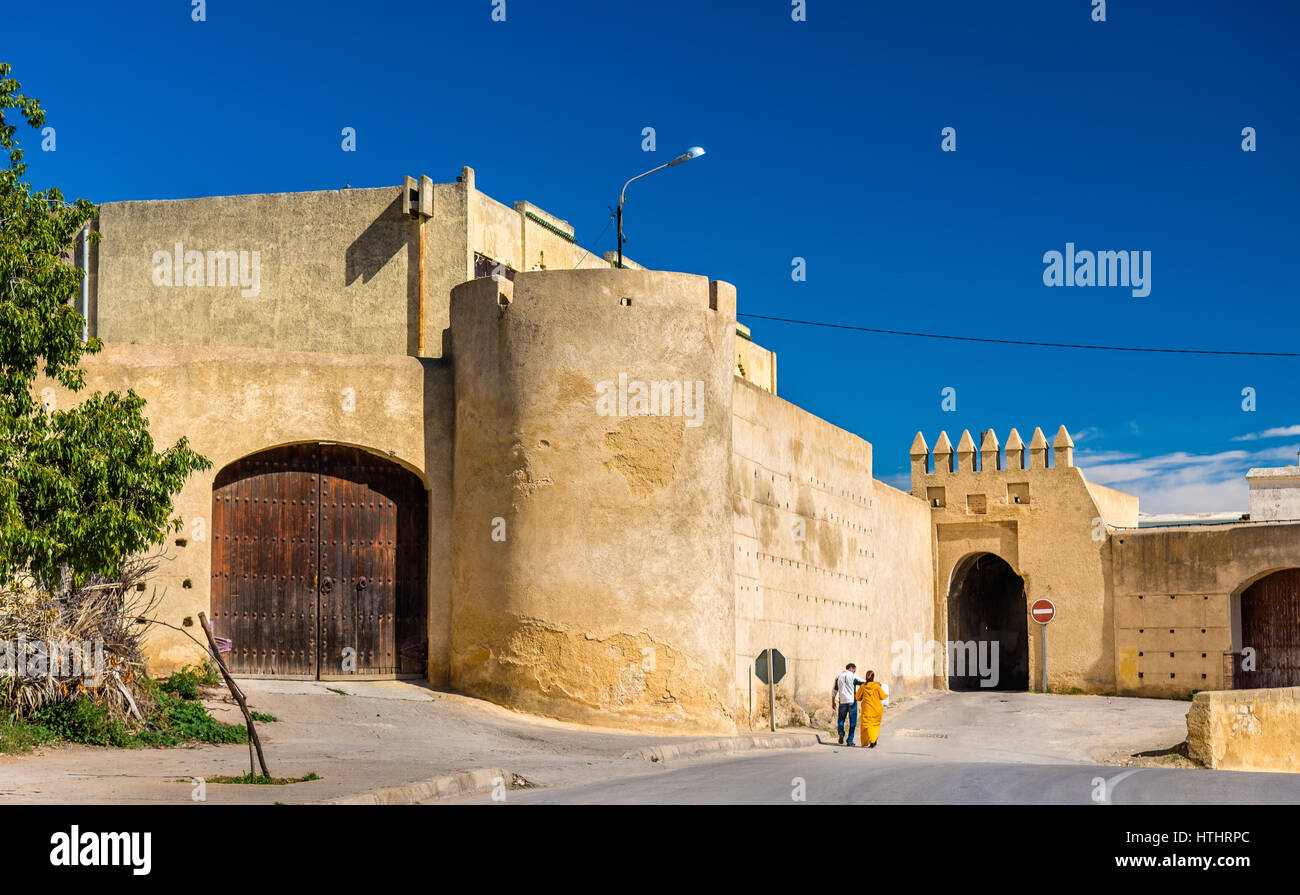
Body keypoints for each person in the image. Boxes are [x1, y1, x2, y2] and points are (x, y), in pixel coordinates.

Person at [832, 663, 870, 745]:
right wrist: (873, 683)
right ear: (851, 668)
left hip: (842, 702)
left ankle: (841, 732)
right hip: (852, 702)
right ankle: (849, 741)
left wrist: (833, 702)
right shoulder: (853, 676)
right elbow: (864, 682)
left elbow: (834, 690)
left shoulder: (838, 677)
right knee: (853, 722)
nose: (854, 672)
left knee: (841, 719)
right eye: (854, 670)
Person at [854, 670, 889, 748]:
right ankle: (873, 740)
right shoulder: (876, 686)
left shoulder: (863, 686)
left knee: (866, 725)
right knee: (875, 725)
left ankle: (871, 741)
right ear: (873, 677)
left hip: (867, 709)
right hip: (877, 709)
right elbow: (883, 696)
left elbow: (857, 697)